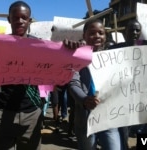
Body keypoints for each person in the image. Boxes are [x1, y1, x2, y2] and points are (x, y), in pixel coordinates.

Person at [0, 1, 44, 150]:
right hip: (4, 112)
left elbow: (58, 66)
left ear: (29, 20)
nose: (19, 21)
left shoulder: (41, 47)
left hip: (31, 114)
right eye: (15, 17)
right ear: (9, 19)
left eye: (24, 17)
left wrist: (71, 48)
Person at [65, 19, 121, 150]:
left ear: (105, 36)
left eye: (101, 33)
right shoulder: (77, 56)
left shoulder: (115, 57)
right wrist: (84, 99)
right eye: (92, 33)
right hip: (86, 120)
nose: (97, 36)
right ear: (84, 35)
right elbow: (73, 83)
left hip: (110, 117)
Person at [109, 19, 147, 150]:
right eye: (131, 29)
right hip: (121, 100)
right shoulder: (113, 49)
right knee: (123, 133)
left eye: (137, 30)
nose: (134, 32)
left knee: (145, 132)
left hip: (143, 100)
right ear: (125, 31)